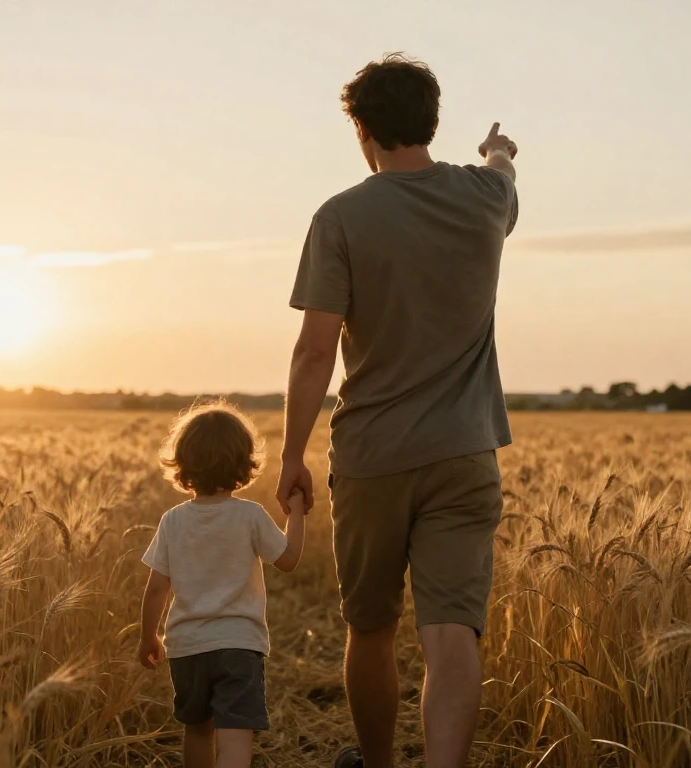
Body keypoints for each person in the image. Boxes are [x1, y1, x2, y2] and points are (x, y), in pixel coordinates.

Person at [275, 53, 519, 768]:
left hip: (374, 457)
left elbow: (315, 352)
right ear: (431, 121)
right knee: (451, 636)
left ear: (362, 128)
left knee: (372, 628)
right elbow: (505, 171)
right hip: (465, 453)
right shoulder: (485, 199)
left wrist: (292, 457)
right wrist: (498, 149)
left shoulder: (341, 217)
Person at [136, 402, 308, 768]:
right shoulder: (250, 516)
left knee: (198, 730)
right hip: (239, 646)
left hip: (186, 647)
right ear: (243, 463)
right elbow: (289, 560)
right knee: (234, 734)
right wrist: (295, 514)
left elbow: (155, 588)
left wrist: (148, 635)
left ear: (182, 463)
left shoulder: (173, 521)